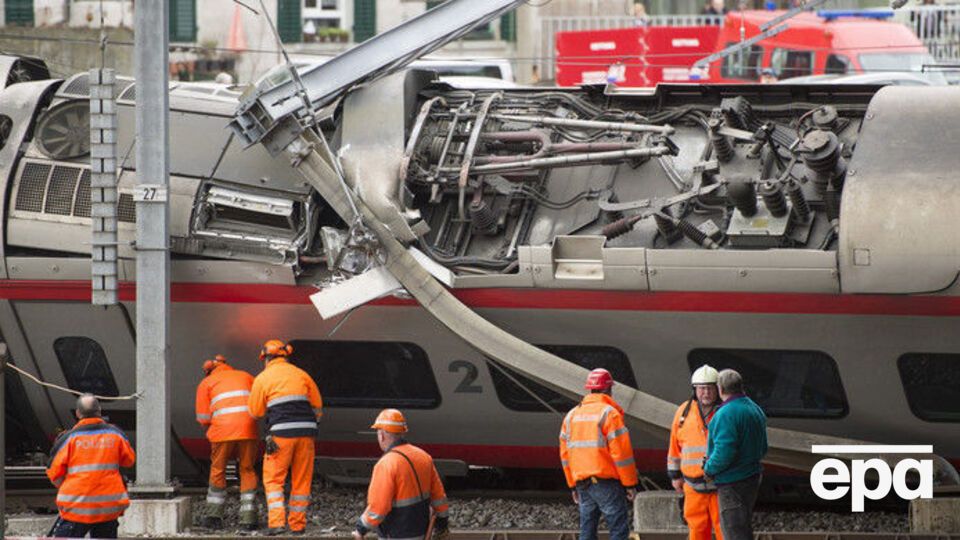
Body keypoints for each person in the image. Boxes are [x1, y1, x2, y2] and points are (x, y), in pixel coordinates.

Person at [249, 339, 323, 535]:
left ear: (266, 359)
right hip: (307, 433)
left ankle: (277, 523)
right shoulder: (301, 374)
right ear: (286, 356)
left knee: (273, 480)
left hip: (281, 434)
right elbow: (317, 406)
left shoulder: (262, 378)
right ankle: (298, 525)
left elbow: (255, 412)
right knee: (302, 479)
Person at [559, 368, 638, 540]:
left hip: (582, 483)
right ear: (608, 389)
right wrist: (630, 484)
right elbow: (622, 454)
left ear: (590, 389)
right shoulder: (609, 414)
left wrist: (572, 485)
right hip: (606, 483)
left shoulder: (571, 416)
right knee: (618, 529)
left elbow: (565, 456)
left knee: (587, 529)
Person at [46, 394, 136, 539]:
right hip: (108, 507)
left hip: (76, 506)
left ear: (78, 413)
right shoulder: (116, 435)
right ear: (99, 410)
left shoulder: (68, 439)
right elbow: (129, 461)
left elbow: (53, 473)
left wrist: (70, 488)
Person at [353, 409, 450, 540]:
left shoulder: (386, 464)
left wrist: (360, 528)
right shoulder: (424, 457)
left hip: (396, 535)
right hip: (421, 533)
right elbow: (439, 497)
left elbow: (378, 508)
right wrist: (442, 524)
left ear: (381, 435)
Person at [195, 354, 259, 530]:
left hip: (222, 431)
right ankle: (248, 519)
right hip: (248, 429)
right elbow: (259, 404)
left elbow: (203, 418)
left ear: (208, 371)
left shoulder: (206, 383)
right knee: (247, 469)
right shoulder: (246, 376)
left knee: (218, 469)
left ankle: (214, 517)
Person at [703, 369, 768, 540]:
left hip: (732, 481)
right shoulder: (754, 409)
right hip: (752, 476)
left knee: (733, 531)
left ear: (720, 388)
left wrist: (709, 469)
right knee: (743, 527)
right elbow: (763, 447)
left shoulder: (725, 414)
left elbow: (724, 452)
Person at [668, 365, 723, 540]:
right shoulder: (683, 412)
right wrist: (675, 476)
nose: (706, 393)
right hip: (693, 486)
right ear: (695, 390)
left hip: (720, 485)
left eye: (710, 388)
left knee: (723, 529)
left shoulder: (725, 412)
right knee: (697, 530)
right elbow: (674, 447)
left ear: (718, 389)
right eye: (702, 388)